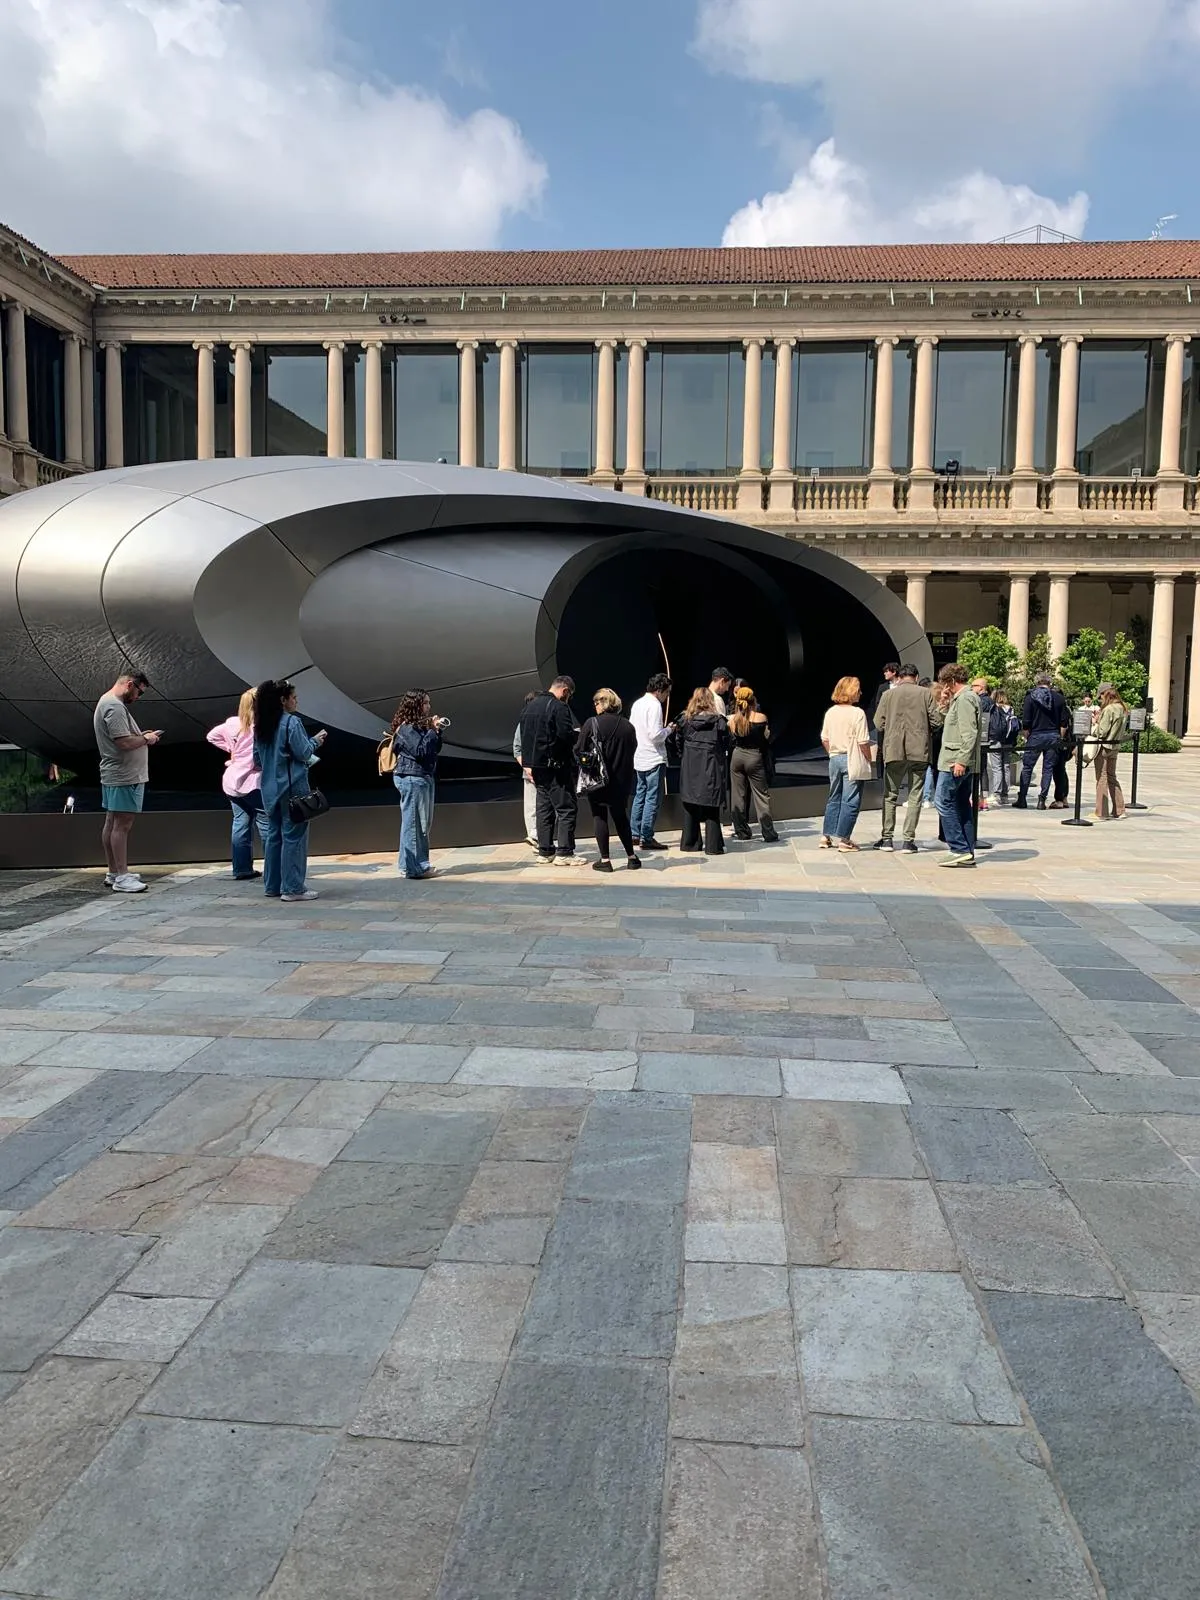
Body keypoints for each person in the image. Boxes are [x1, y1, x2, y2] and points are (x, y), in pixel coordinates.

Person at [252, 679, 327, 902]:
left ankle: (272, 885)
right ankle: (293, 888)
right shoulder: (291, 723)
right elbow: (303, 752)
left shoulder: (261, 725)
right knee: (294, 838)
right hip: (293, 788)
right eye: (293, 697)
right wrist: (315, 741)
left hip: (269, 789)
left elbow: (257, 759)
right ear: (283, 700)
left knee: (274, 837)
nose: (296, 701)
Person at [93, 670, 160, 894]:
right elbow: (123, 743)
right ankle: (122, 876)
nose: (138, 697)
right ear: (130, 684)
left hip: (116, 773)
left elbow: (123, 738)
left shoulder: (107, 702)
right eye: (139, 692)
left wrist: (141, 735)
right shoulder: (114, 707)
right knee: (121, 825)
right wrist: (146, 739)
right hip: (125, 775)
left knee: (112, 822)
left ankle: (114, 872)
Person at [871, 664, 939, 852]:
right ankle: (908, 841)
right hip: (919, 750)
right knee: (915, 795)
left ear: (899, 677)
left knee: (890, 795)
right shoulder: (925, 694)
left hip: (894, 750)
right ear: (916, 677)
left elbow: (878, 723)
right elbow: (936, 720)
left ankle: (887, 839)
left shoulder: (888, 695)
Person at [520, 676, 584, 865]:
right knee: (566, 808)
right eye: (569, 695)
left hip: (536, 767)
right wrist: (577, 736)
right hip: (556, 767)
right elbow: (564, 735)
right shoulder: (559, 707)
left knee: (544, 809)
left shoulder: (530, 706)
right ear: (565, 691)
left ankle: (545, 851)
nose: (569, 699)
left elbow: (524, 737)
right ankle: (565, 853)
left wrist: (528, 764)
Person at [576, 688, 640, 873]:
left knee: (599, 816)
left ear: (601, 703)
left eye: (596, 702)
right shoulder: (628, 726)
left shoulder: (592, 723)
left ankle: (605, 860)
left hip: (598, 779)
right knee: (621, 817)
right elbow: (633, 748)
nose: (595, 706)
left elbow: (579, 749)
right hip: (622, 780)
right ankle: (632, 857)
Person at [206, 689, 265, 880]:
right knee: (267, 826)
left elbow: (211, 736)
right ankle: (275, 871)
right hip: (253, 782)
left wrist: (231, 748)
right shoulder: (262, 726)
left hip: (232, 781)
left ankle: (242, 869)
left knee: (241, 823)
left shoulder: (232, 723)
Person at [668, 688, 732, 855]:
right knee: (711, 807)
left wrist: (685, 755)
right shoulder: (719, 722)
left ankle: (690, 843)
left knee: (690, 805)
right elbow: (727, 743)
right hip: (711, 767)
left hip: (690, 768)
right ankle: (713, 846)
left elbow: (677, 743)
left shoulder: (685, 721)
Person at [391, 690, 447, 880]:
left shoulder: (417, 726)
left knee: (413, 823)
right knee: (416, 825)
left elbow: (433, 749)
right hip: (412, 777)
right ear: (415, 705)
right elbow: (420, 751)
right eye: (425, 703)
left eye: (428, 703)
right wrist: (431, 730)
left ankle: (407, 865)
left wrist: (436, 731)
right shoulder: (406, 728)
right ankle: (417, 868)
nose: (428, 707)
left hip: (421, 776)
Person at [934, 663, 983, 868]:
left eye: (945, 683)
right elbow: (950, 724)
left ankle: (959, 848)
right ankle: (966, 851)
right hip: (959, 760)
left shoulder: (965, 699)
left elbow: (968, 733)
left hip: (954, 761)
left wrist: (961, 760)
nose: (944, 687)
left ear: (952, 681)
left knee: (942, 801)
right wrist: (944, 704)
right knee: (961, 804)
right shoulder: (964, 698)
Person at [820, 676, 873, 852]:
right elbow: (863, 741)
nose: (860, 693)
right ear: (852, 692)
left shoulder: (831, 712)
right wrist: (868, 758)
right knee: (851, 800)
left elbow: (824, 738)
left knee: (834, 797)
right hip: (852, 758)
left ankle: (826, 836)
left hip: (835, 758)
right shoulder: (857, 713)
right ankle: (844, 839)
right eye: (858, 690)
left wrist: (832, 753)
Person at [728, 685, 778, 843]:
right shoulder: (761, 718)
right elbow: (766, 739)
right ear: (753, 700)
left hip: (737, 756)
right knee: (761, 796)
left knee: (738, 796)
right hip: (754, 757)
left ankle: (741, 831)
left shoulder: (733, 720)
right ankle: (768, 832)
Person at [629, 673, 672, 851]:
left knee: (640, 795)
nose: (667, 697)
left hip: (639, 756)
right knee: (652, 798)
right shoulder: (654, 706)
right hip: (653, 757)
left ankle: (634, 833)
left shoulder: (637, 703)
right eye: (667, 692)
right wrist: (669, 730)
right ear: (660, 690)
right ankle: (646, 836)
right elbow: (655, 735)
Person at [1016, 672, 1069, 809]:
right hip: (1053, 735)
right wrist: (1060, 737)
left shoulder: (1030, 697)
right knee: (1048, 769)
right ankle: (1042, 800)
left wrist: (1027, 735)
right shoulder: (1059, 698)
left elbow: (1026, 721)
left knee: (1027, 767)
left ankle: (1022, 798)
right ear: (1050, 683)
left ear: (1036, 682)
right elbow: (1064, 722)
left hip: (1035, 735)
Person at [1092, 686, 1129, 820]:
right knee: (1112, 777)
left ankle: (1101, 812)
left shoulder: (1109, 709)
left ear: (1105, 695)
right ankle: (1119, 810)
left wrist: (1095, 723)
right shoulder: (1123, 708)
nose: (1100, 699)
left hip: (1104, 746)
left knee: (1101, 778)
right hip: (1115, 746)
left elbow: (1102, 732)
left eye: (1101, 696)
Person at [513, 689, 539, 849]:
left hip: (544, 769)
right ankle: (533, 836)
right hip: (530, 772)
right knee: (531, 807)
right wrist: (527, 769)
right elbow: (517, 748)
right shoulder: (523, 724)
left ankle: (542, 838)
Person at [991, 689, 1020, 805]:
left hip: (996, 740)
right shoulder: (1010, 709)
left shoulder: (994, 708)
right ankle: (1005, 795)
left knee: (997, 767)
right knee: (1006, 766)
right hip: (1008, 741)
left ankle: (996, 793)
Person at [868, 661, 901, 726]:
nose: (884, 673)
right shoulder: (882, 687)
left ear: (894, 672)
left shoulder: (902, 684)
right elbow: (878, 703)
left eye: (886, 671)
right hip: (888, 720)